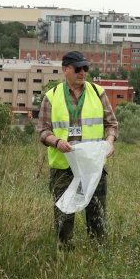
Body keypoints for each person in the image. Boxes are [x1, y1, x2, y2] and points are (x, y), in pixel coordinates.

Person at [37, 51, 118, 248]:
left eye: (86, 68)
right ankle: (64, 257)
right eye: (78, 69)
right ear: (65, 70)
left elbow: (112, 124)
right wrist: (56, 142)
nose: (83, 73)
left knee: (97, 216)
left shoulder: (98, 93)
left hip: (92, 166)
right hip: (63, 167)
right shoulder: (51, 96)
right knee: (63, 217)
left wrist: (110, 141)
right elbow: (43, 131)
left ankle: (98, 255)